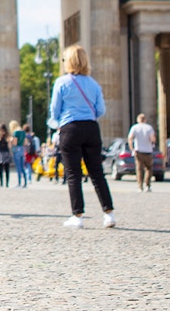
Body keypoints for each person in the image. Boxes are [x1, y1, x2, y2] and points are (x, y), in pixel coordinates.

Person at [48, 45, 116, 228]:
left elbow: (54, 111)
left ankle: (77, 216)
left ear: (68, 62)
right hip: (92, 128)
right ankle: (109, 214)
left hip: (70, 128)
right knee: (97, 173)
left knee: (73, 174)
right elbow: (101, 109)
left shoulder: (62, 83)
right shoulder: (94, 84)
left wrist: (57, 124)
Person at [127, 113, 157, 192]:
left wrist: (131, 148)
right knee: (148, 168)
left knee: (139, 169)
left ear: (138, 120)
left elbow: (130, 138)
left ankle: (140, 186)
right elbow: (153, 139)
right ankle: (147, 185)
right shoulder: (149, 127)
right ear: (145, 120)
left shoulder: (135, 127)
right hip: (148, 150)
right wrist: (152, 143)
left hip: (138, 150)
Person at [10, 120, 29, 188]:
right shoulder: (23, 132)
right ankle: (25, 183)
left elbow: (15, 143)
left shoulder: (15, 132)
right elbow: (25, 142)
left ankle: (19, 183)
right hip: (22, 149)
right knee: (22, 167)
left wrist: (11, 141)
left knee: (18, 167)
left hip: (16, 149)